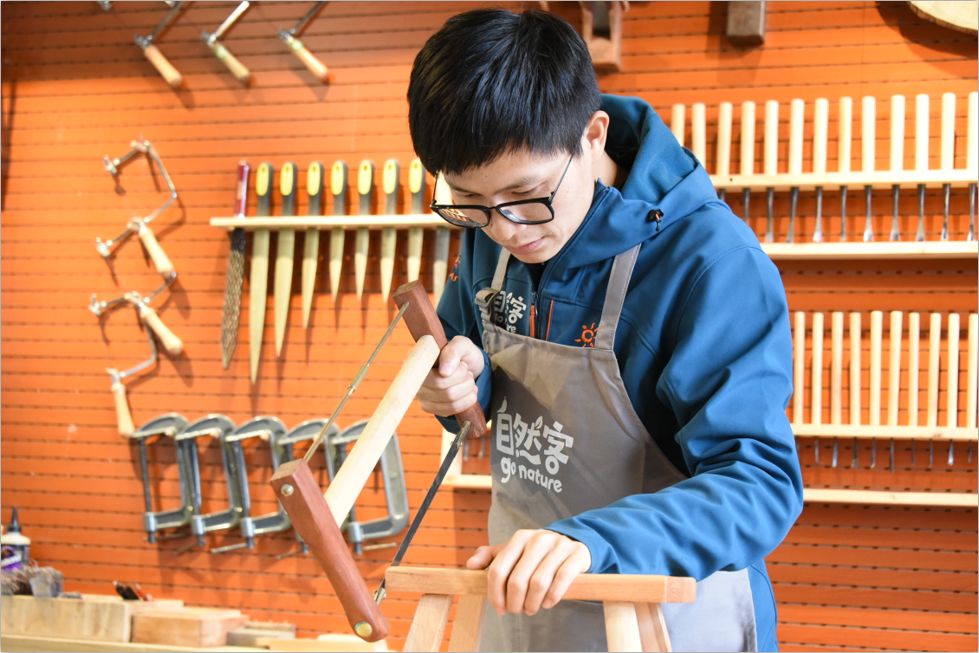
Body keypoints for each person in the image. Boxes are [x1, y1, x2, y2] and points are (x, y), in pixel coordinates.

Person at [407, 8, 803, 652]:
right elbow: (473, 362)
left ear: (592, 135)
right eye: (470, 203)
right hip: (526, 604)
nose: (506, 229)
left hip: (667, 616)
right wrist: (457, 394)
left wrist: (594, 542)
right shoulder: (496, 234)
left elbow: (758, 484)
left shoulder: (710, 265)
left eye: (526, 195)